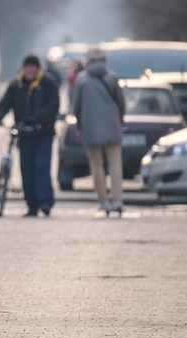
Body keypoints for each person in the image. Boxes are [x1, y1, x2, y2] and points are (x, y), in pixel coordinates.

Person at [0, 54, 59, 217]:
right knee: (26, 169)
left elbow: (53, 106)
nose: (29, 70)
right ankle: (31, 205)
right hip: (24, 133)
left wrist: (36, 118)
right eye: (26, 67)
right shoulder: (16, 85)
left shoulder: (48, 83)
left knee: (41, 167)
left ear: (38, 68)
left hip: (43, 133)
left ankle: (45, 201)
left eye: (32, 67)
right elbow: (5, 104)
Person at [72, 47, 126, 215]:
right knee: (115, 165)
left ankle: (103, 201)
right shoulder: (112, 77)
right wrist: (120, 120)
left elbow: (77, 107)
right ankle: (117, 200)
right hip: (112, 126)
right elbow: (121, 103)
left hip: (91, 128)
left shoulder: (82, 80)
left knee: (97, 166)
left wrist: (80, 126)